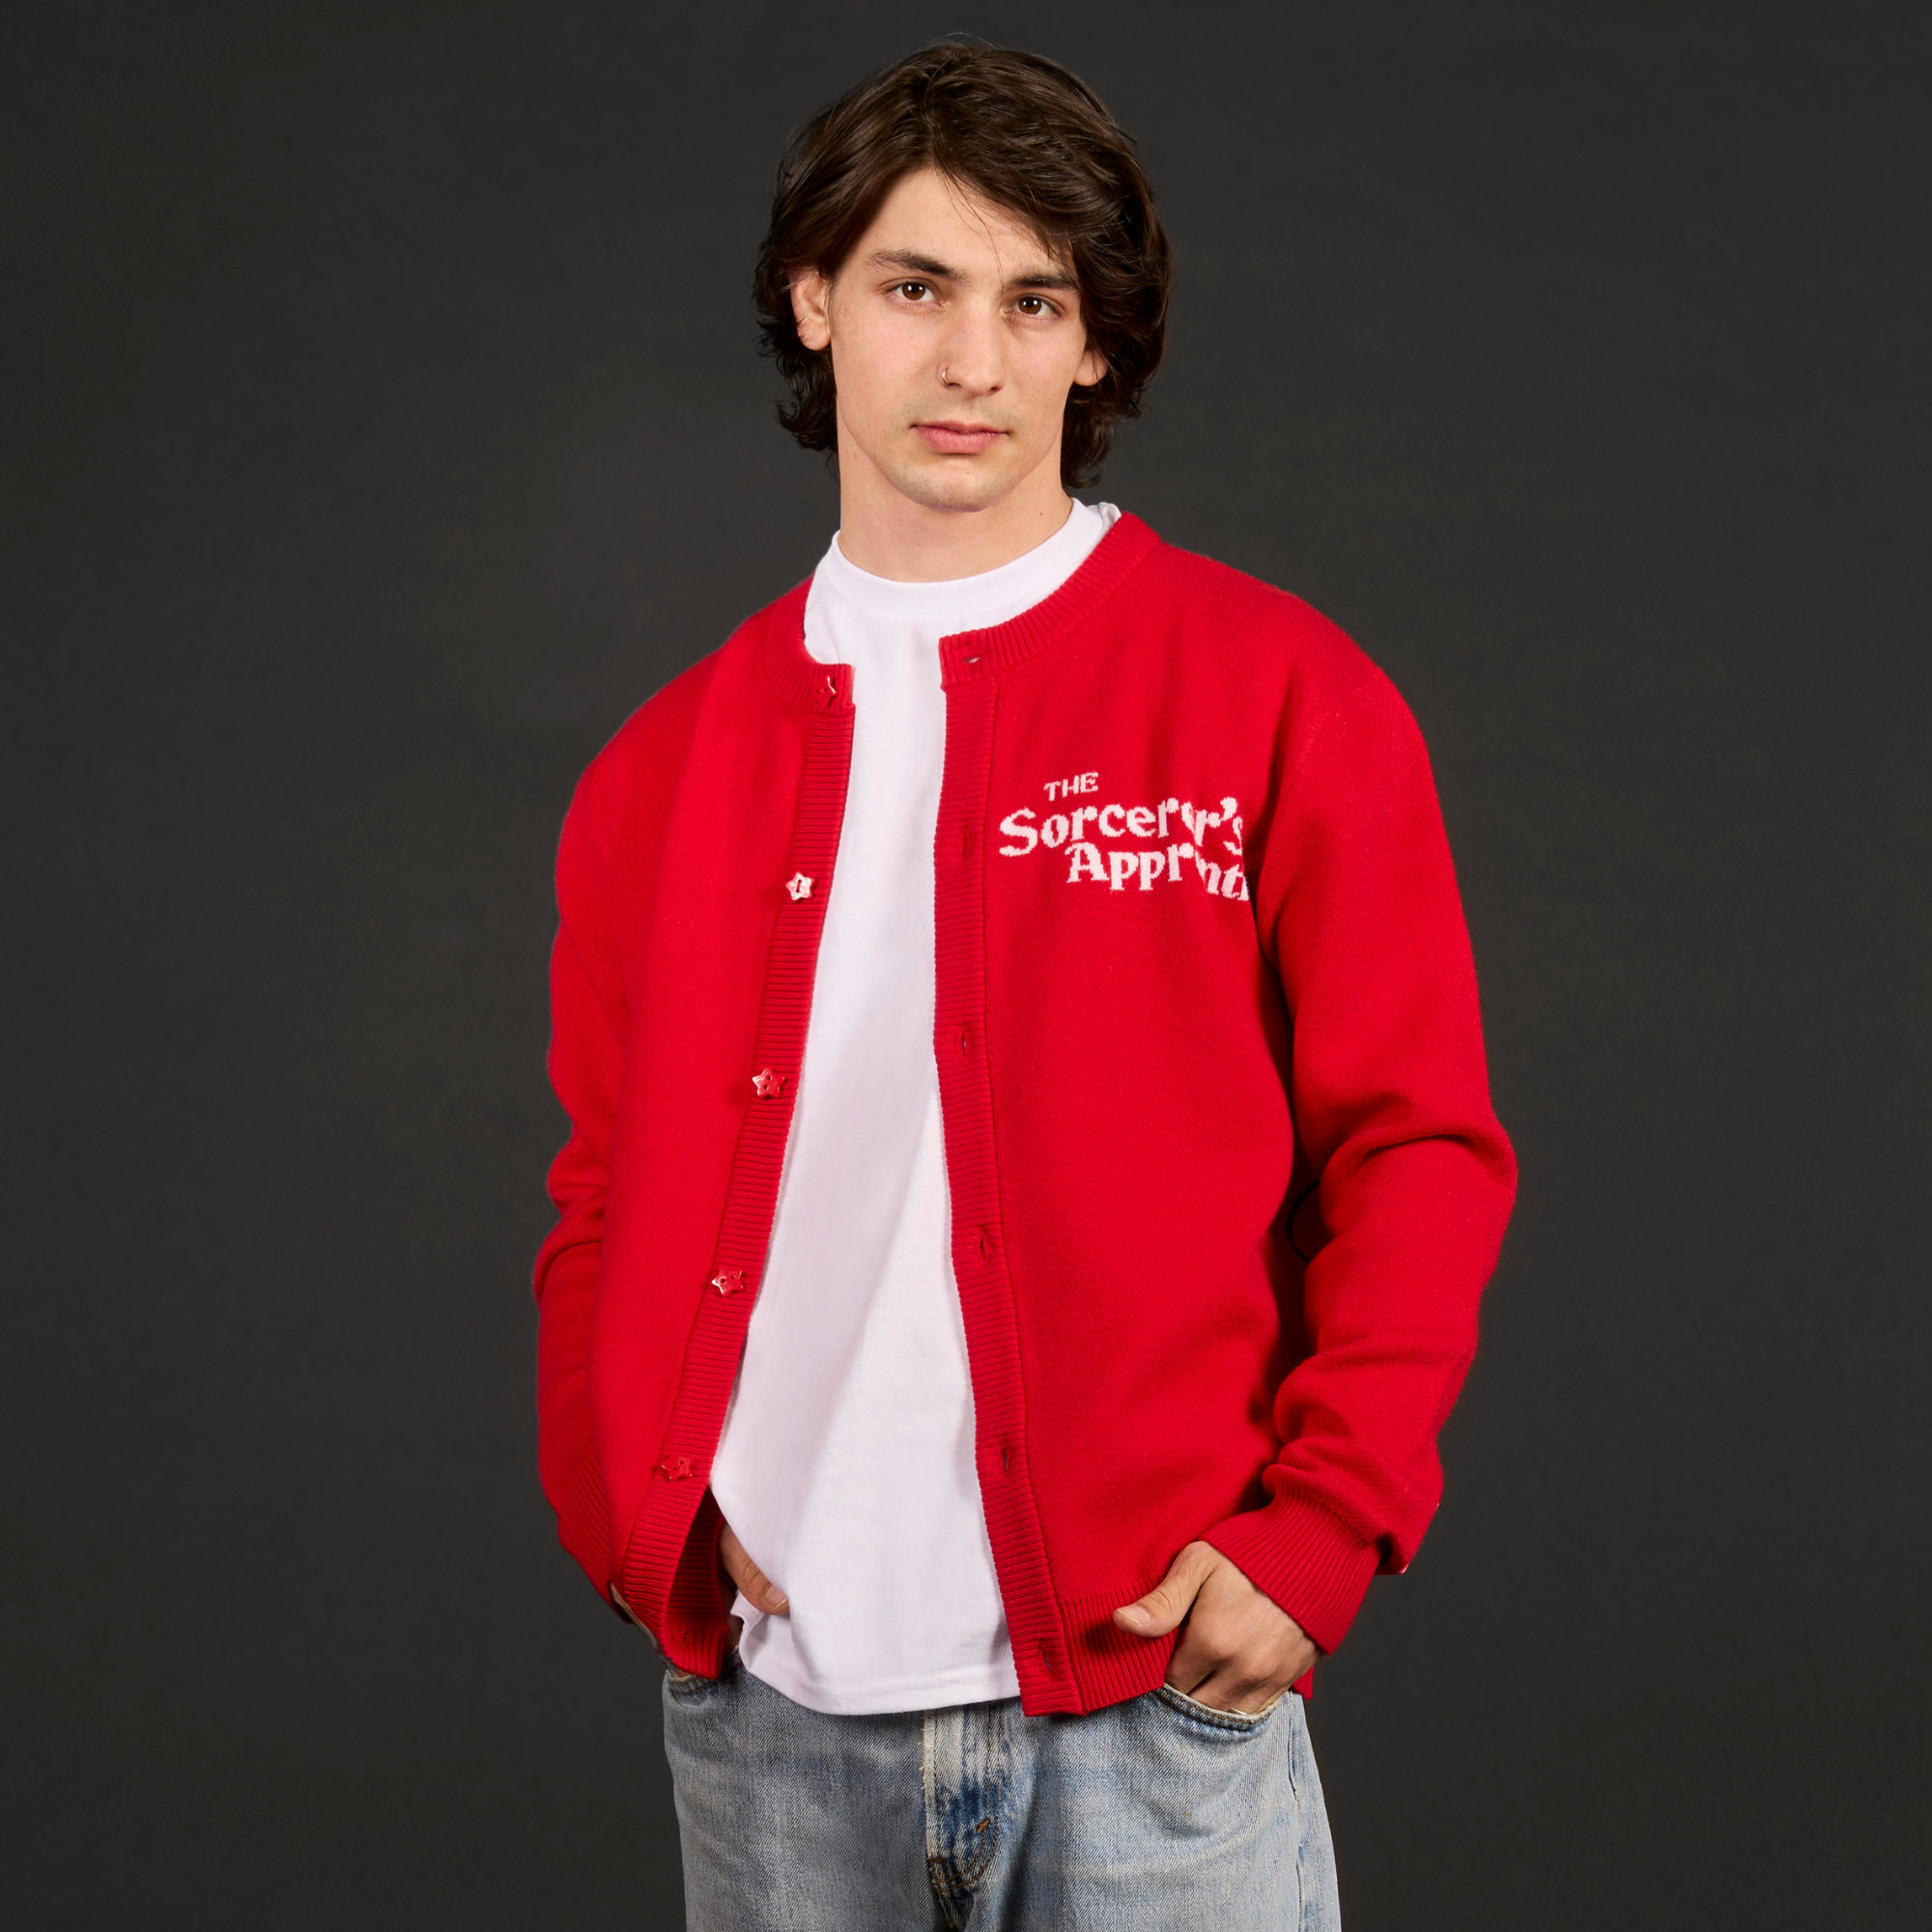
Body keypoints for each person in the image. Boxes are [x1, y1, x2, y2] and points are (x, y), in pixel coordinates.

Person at [533, 39, 1515, 1931]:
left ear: (1091, 343)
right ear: (816, 303)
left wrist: (1320, 1530)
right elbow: (599, 1196)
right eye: (916, 287)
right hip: (772, 1722)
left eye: (1033, 301)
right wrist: (631, 1516)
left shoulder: (1278, 692)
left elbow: (1418, 1146)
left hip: (1155, 1699)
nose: (972, 361)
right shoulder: (659, 769)